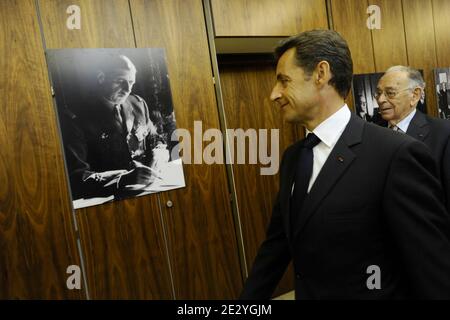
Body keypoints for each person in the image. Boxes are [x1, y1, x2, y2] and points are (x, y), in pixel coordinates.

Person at [240, 30, 450, 299]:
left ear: (321, 73)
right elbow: (276, 247)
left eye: (283, 80)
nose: (273, 94)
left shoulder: (394, 154)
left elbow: (431, 268)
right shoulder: (293, 158)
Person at [61, 54, 167, 200]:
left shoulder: (138, 104)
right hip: (108, 199)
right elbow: (76, 177)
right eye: (120, 81)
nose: (127, 89)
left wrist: (159, 153)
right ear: (101, 77)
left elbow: (155, 139)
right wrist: (122, 179)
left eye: (131, 82)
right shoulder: (76, 119)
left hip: (149, 190)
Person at [376, 66, 450, 213]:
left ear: (415, 95)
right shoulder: (373, 132)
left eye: (390, 93)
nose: (381, 99)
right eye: (378, 93)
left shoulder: (443, 132)